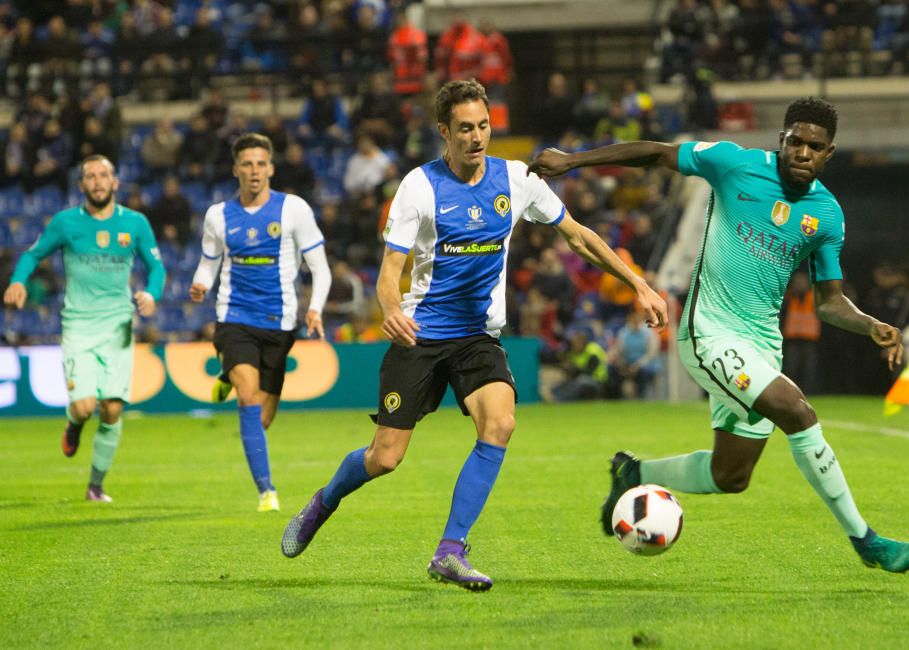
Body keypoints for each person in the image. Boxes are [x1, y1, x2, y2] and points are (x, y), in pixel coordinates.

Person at [281, 80, 667, 591]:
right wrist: (391, 309)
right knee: (385, 458)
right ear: (444, 131)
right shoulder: (419, 186)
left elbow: (578, 235)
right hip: (420, 335)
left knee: (500, 422)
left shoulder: (515, 179)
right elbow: (388, 270)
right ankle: (324, 500)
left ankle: (450, 551)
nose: (476, 137)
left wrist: (638, 282)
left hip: (477, 337)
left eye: (483, 126)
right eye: (465, 128)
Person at [528, 97, 909, 573]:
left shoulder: (827, 215)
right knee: (798, 412)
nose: (802, 152)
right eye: (794, 141)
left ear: (828, 153)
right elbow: (658, 153)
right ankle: (866, 540)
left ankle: (635, 472)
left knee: (730, 475)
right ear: (781, 140)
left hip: (762, 345)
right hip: (709, 333)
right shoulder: (733, 163)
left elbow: (829, 301)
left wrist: (870, 325)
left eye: (813, 147)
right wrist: (573, 162)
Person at [3, 155, 165, 502]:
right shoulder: (65, 223)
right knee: (84, 407)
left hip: (118, 325)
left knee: (112, 409)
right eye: (90, 176)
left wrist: (151, 294)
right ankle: (74, 425)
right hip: (78, 325)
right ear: (82, 185)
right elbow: (33, 254)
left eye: (104, 175)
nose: (97, 181)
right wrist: (18, 281)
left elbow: (157, 268)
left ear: (115, 182)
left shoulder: (135, 223)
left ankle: (95, 486)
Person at [189, 133, 332, 513]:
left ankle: (226, 374)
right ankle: (266, 491)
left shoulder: (294, 210)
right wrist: (201, 283)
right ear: (236, 169)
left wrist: (315, 308)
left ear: (270, 168)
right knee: (248, 397)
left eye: (260, 164)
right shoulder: (217, 215)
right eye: (246, 164)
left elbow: (320, 268)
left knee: (263, 419)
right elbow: (209, 260)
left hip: (280, 322)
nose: (254, 171)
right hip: (234, 316)